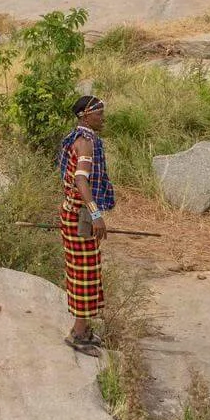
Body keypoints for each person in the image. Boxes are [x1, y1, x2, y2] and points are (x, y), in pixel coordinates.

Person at [57, 94, 115, 355]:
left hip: (73, 213)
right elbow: (81, 181)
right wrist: (95, 214)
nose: (102, 118)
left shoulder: (79, 138)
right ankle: (78, 335)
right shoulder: (85, 143)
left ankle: (83, 329)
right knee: (84, 275)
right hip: (79, 216)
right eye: (98, 114)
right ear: (85, 116)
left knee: (85, 272)